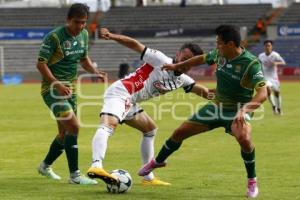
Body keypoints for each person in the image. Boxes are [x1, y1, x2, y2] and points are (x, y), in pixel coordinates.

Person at [139, 25, 267, 198]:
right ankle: (157, 161)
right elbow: (199, 59)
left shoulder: (251, 63)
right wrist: (177, 65)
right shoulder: (219, 54)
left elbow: (263, 94)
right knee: (179, 132)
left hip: (237, 111)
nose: (216, 46)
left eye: (219, 43)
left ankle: (252, 181)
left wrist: (244, 111)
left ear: (230, 44)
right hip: (215, 107)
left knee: (244, 138)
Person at [86, 28, 211, 186]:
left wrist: (226, 99)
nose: (185, 63)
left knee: (150, 130)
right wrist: (111, 36)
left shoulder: (183, 80)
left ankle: (148, 177)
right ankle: (96, 165)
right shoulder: (160, 59)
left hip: (131, 101)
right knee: (108, 125)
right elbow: (135, 44)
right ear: (178, 54)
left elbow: (204, 92)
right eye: (184, 57)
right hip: (121, 92)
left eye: (190, 61)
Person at [36, 3, 107, 185]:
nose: (81, 26)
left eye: (83, 22)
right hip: (52, 90)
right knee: (74, 127)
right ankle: (75, 176)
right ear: (68, 20)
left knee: (64, 133)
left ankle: (45, 166)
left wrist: (95, 72)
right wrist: (57, 84)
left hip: (71, 90)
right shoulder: (54, 37)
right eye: (77, 22)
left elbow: (83, 59)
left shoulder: (83, 35)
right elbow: (41, 64)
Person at [258, 40, 285, 115]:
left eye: (269, 45)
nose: (267, 47)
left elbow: (283, 62)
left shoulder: (275, 55)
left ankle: (279, 108)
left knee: (277, 93)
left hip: (274, 78)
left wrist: (276, 62)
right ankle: (273, 106)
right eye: (266, 46)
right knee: (268, 89)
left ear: (271, 47)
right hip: (266, 77)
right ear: (264, 47)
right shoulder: (261, 56)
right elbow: (258, 64)